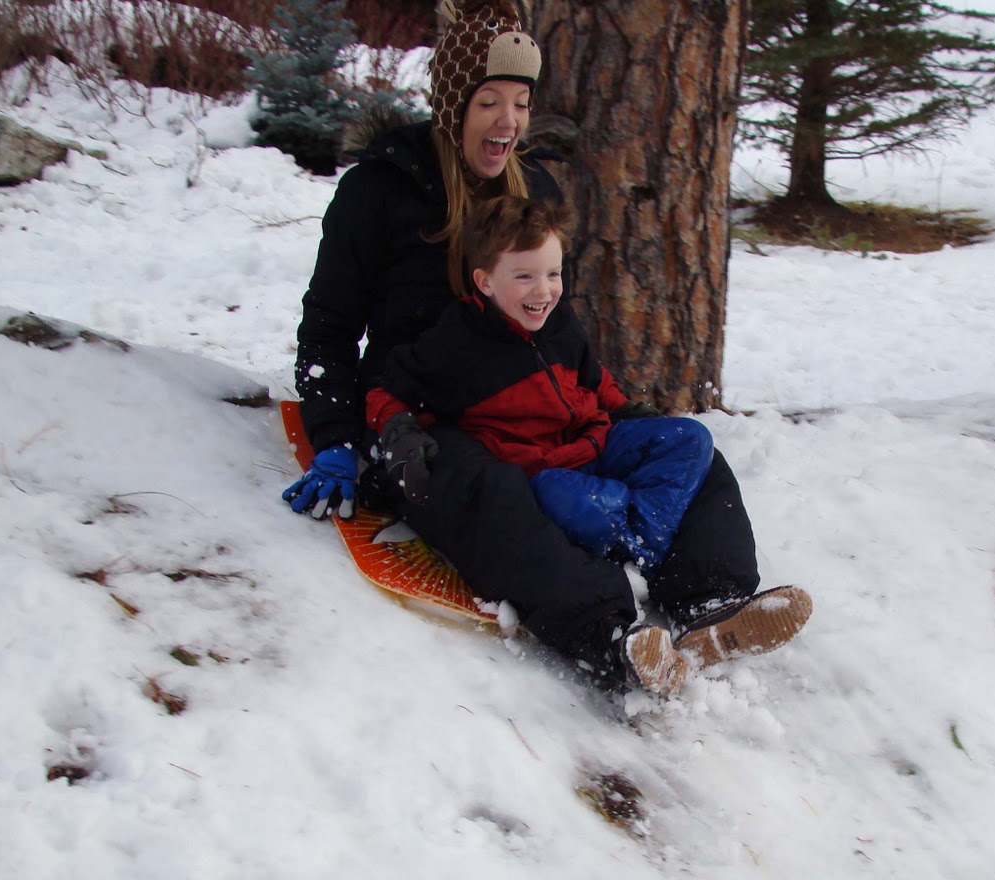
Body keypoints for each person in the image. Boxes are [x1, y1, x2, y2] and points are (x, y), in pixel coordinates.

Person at [282, 0, 809, 697]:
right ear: (452, 103)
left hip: (527, 394)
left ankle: (709, 603)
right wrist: (337, 436)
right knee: (490, 491)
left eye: (521, 103)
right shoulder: (380, 191)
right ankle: (609, 635)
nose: (507, 122)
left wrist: (621, 411)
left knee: (690, 451)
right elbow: (327, 326)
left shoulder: (538, 191)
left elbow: (557, 322)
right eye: (489, 101)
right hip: (423, 416)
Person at [366, 195, 716, 581]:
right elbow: (387, 387)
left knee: (690, 438)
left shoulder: (560, 320)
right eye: (524, 277)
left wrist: (627, 409)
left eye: (553, 273)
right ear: (484, 281)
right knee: (584, 501)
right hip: (543, 474)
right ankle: (634, 543)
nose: (544, 291)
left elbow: (592, 378)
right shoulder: (456, 343)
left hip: (595, 443)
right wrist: (399, 428)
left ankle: (642, 549)